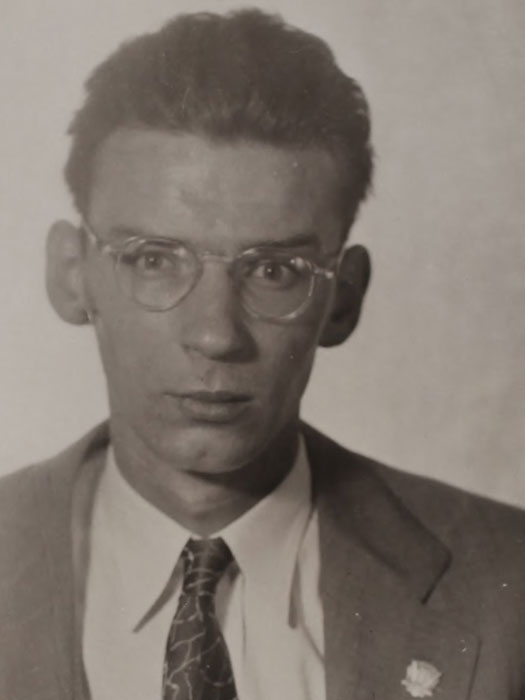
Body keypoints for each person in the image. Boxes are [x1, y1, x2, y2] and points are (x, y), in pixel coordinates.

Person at [1, 8, 524, 700]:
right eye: (154, 259)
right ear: (72, 275)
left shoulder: (508, 587)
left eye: (274, 271)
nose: (216, 334)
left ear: (343, 298)